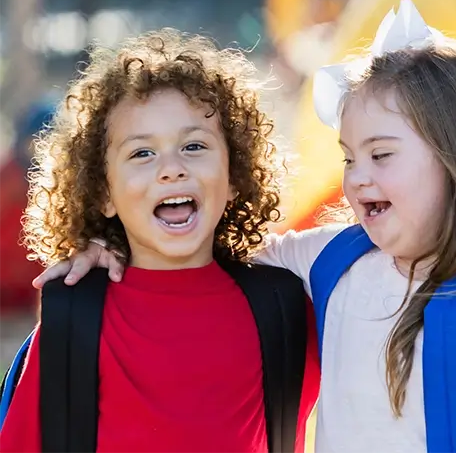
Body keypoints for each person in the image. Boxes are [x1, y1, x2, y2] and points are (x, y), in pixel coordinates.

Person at [34, 0, 456, 453]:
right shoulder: (333, 261)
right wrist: (106, 241)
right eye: (349, 157)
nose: (355, 178)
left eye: (381, 156)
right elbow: (194, 252)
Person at [0, 29, 320, 453]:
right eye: (142, 153)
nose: (171, 168)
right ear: (103, 193)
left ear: (234, 178)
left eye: (193, 145)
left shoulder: (285, 305)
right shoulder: (74, 314)